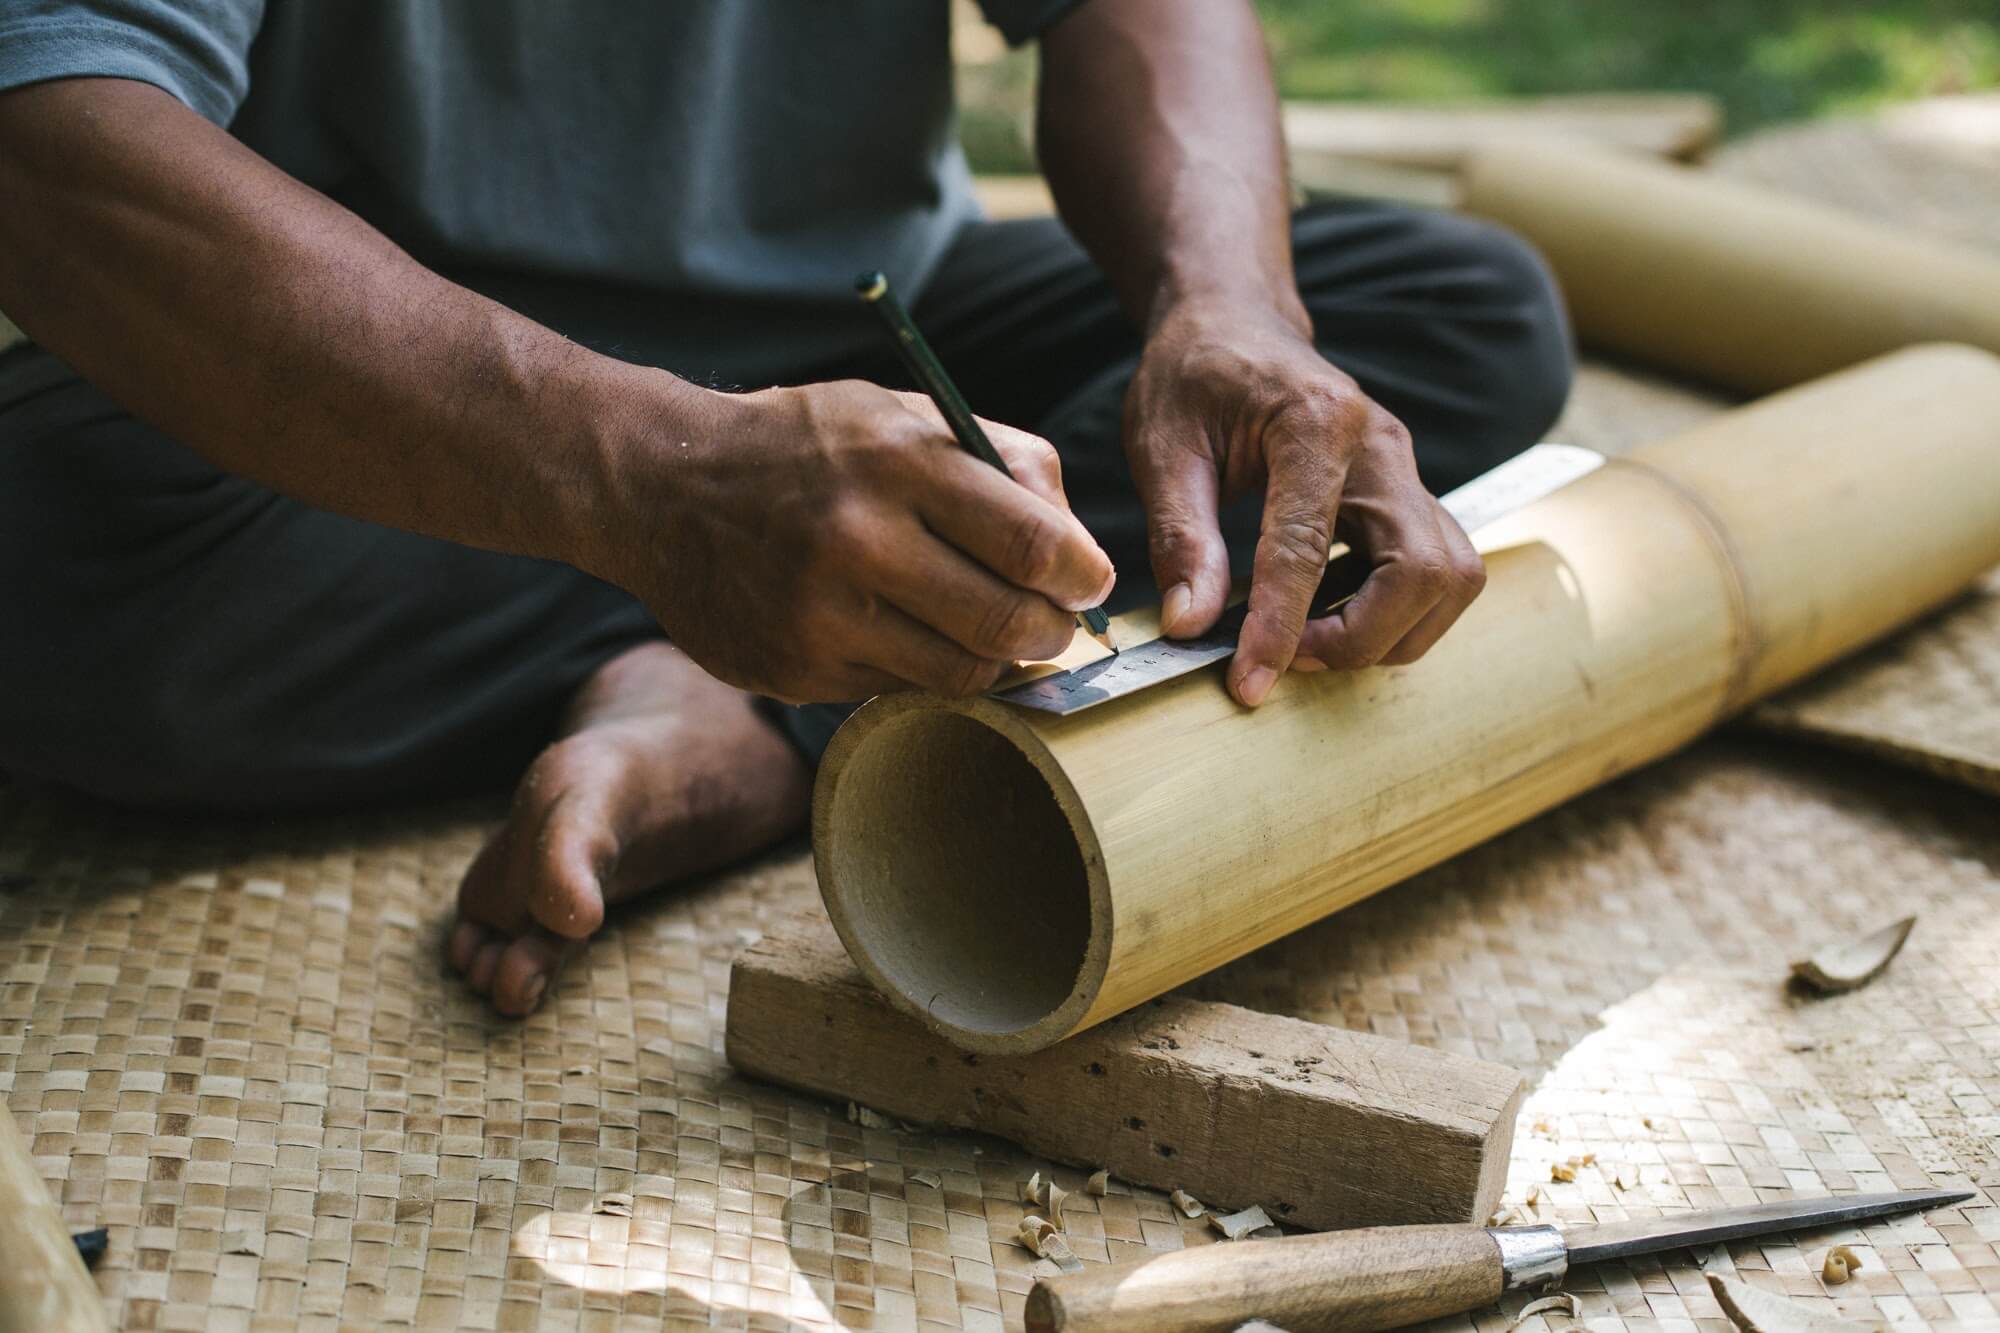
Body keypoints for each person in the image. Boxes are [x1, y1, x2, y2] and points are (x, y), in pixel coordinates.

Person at [0, 0, 1572, 1017]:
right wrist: (659, 478)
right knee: (40, 552)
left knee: (1456, 313)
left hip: (873, 329)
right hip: (398, 386)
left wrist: (1228, 305)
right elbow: (54, 144)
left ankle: (761, 706)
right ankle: (777, 602)